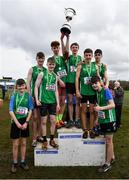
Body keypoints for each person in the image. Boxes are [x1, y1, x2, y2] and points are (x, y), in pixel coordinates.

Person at [35, 57, 62, 150]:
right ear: (47, 64)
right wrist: (37, 99)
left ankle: (51, 139)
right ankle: (44, 141)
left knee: (53, 121)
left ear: (54, 65)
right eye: (50, 64)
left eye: (53, 64)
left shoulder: (55, 76)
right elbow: (36, 86)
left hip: (53, 102)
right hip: (43, 101)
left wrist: (58, 103)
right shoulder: (42, 73)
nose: (51, 66)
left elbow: (56, 90)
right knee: (43, 121)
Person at [91, 75, 117, 172]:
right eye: (92, 84)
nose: (94, 85)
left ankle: (107, 164)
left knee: (109, 141)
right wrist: (97, 118)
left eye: (96, 83)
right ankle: (112, 157)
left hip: (110, 120)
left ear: (100, 82)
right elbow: (100, 106)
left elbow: (112, 105)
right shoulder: (97, 93)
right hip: (103, 120)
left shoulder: (106, 91)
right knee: (109, 141)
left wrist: (100, 108)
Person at [9, 79, 33, 173]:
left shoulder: (28, 96)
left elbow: (30, 109)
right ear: (16, 87)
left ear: (25, 86)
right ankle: (15, 163)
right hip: (15, 121)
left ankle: (22, 161)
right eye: (19, 86)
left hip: (25, 121)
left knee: (23, 142)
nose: (21, 87)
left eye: (22, 85)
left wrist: (26, 122)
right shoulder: (13, 96)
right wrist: (17, 123)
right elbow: (10, 110)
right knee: (15, 144)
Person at [61, 33, 82, 128]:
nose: (74, 48)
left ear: (78, 49)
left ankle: (77, 120)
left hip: (78, 83)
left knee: (77, 102)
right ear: (71, 49)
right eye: (73, 47)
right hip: (69, 82)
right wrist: (67, 38)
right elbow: (65, 50)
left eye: (76, 47)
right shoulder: (68, 57)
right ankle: (71, 120)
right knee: (69, 101)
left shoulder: (81, 59)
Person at [76, 48, 97, 138]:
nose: (88, 57)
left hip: (92, 92)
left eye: (89, 55)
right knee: (84, 111)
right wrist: (77, 90)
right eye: (86, 55)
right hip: (83, 92)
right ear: (84, 56)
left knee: (92, 111)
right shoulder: (80, 66)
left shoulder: (95, 66)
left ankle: (91, 130)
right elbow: (77, 78)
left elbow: (98, 78)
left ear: (92, 56)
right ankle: (85, 130)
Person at [27, 52, 47, 147]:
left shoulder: (46, 70)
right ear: (36, 59)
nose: (41, 60)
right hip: (34, 97)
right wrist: (30, 95)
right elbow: (28, 82)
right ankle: (34, 138)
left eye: (42, 58)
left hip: (43, 97)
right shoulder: (32, 69)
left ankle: (39, 135)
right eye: (39, 58)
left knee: (40, 118)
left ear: (44, 59)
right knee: (35, 118)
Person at [50, 40, 67, 128]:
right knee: (58, 102)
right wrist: (59, 80)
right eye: (54, 48)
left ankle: (60, 119)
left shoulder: (63, 58)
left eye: (57, 47)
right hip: (57, 83)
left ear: (59, 48)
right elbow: (51, 71)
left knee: (63, 102)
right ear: (52, 49)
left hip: (65, 83)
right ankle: (56, 120)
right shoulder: (51, 59)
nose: (56, 49)